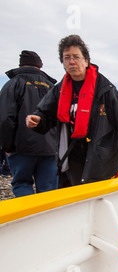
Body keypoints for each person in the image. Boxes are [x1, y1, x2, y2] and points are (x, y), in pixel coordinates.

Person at [26, 35, 118, 186]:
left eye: (76, 57)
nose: (72, 61)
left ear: (86, 60)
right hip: (71, 155)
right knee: (73, 195)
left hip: (100, 158)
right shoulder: (60, 89)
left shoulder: (105, 90)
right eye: (67, 57)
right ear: (62, 62)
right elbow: (45, 113)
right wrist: (37, 120)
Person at [0, 50, 58, 197]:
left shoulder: (12, 84)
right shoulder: (52, 88)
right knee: (48, 189)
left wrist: (7, 147)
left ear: (20, 66)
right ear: (39, 67)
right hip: (49, 148)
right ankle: (47, 218)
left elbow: (5, 118)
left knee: (22, 183)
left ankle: (29, 218)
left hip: (21, 147)